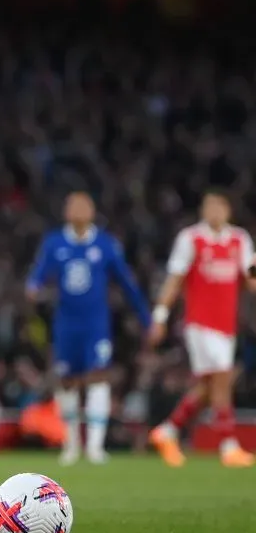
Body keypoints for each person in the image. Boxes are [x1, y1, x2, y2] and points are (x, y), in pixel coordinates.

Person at [25, 192, 150, 465]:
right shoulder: (54, 243)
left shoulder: (105, 244)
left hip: (96, 324)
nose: (79, 210)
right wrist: (33, 287)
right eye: (74, 205)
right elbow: (38, 273)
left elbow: (127, 283)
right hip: (66, 324)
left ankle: (95, 446)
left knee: (97, 377)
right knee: (67, 383)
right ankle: (71, 444)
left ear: (93, 211)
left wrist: (145, 318)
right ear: (66, 211)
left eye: (85, 205)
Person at [148, 190, 256, 468]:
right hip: (200, 323)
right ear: (203, 211)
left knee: (209, 386)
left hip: (226, 325)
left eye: (219, 206)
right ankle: (229, 445)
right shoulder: (190, 239)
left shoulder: (239, 239)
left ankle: (167, 430)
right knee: (222, 378)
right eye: (209, 206)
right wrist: (160, 315)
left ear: (228, 210)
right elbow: (175, 279)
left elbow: (250, 277)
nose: (214, 212)